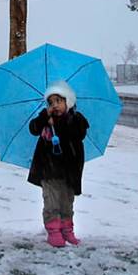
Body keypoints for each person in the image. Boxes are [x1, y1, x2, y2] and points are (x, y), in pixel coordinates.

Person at [27, 80, 90, 247]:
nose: (55, 105)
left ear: (67, 101)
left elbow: (78, 135)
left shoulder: (76, 120)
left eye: (58, 101)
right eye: (51, 102)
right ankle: (53, 231)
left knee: (66, 202)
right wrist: (44, 118)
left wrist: (61, 126)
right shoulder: (45, 119)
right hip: (49, 170)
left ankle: (67, 229)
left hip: (69, 170)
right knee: (52, 201)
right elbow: (33, 129)